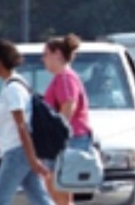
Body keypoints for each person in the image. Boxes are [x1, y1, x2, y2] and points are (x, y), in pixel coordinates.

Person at [0, 39, 54, 205]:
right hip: (20, 152)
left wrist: (31, 159)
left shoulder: (13, 89)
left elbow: (22, 126)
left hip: (17, 153)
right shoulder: (12, 85)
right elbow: (4, 130)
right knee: (40, 199)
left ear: (0, 61)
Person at [42, 34, 93, 205]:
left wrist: (57, 134)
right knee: (58, 189)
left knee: (57, 187)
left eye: (46, 54)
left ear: (57, 54)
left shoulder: (65, 77)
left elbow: (68, 106)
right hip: (67, 139)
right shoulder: (62, 77)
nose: (44, 60)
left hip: (69, 139)